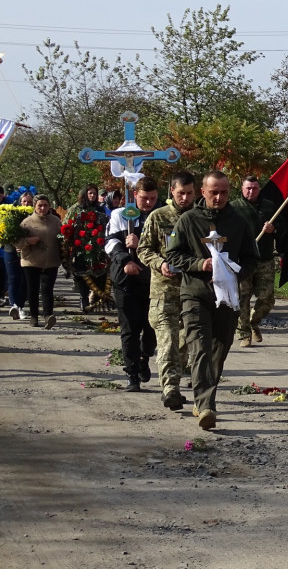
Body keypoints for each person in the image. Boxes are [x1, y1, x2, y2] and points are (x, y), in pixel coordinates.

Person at [166, 171, 259, 431]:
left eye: (224, 192)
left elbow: (253, 258)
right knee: (200, 348)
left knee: (220, 349)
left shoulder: (240, 222)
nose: (218, 197)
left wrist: (235, 271)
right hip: (195, 294)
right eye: (213, 192)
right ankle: (206, 405)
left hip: (227, 297)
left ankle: (202, 398)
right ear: (202, 192)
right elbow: (173, 255)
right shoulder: (187, 220)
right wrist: (200, 263)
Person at [139, 170, 196, 410]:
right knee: (168, 340)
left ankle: (175, 382)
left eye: (190, 193)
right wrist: (160, 264)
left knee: (185, 342)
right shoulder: (158, 217)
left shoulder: (199, 218)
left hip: (192, 290)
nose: (185, 198)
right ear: (172, 191)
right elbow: (144, 250)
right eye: (181, 193)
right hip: (164, 292)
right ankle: (170, 388)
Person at [105, 177, 159, 391]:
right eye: (144, 198)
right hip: (125, 280)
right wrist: (125, 260)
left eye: (153, 198)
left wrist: (142, 244)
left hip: (153, 279)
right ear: (135, 195)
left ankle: (145, 357)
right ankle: (132, 373)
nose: (148, 203)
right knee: (129, 329)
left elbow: (169, 243)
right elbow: (111, 243)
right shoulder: (121, 215)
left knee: (151, 326)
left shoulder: (161, 215)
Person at [231, 175, 280, 348]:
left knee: (267, 298)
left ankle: (254, 321)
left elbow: (282, 230)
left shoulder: (269, 206)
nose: (251, 191)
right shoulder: (234, 207)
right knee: (242, 297)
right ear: (242, 189)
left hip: (264, 258)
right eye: (248, 188)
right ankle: (244, 332)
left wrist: (273, 229)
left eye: (255, 188)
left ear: (259, 189)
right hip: (243, 259)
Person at [17, 194, 63, 329]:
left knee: (47, 289)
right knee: (33, 289)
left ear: (49, 206)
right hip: (31, 261)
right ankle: (34, 316)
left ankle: (48, 316)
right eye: (40, 206)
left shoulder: (56, 221)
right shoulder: (27, 222)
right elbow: (17, 242)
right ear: (34, 207)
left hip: (51, 261)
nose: (43, 208)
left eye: (45, 205)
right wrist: (28, 241)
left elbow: (62, 238)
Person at [67, 184, 107, 311]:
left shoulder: (100, 209)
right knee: (82, 274)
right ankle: (83, 298)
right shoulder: (76, 208)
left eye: (94, 193)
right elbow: (67, 225)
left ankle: (96, 298)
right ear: (85, 194)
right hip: (80, 246)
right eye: (90, 193)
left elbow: (106, 224)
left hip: (98, 246)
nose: (92, 196)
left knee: (99, 273)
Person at [4, 191, 30, 321]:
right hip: (11, 251)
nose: (26, 204)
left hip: (29, 253)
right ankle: (14, 306)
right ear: (20, 202)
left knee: (24, 280)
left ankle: (21, 306)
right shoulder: (11, 215)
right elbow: (5, 233)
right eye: (24, 201)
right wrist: (16, 244)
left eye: (29, 202)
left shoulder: (34, 217)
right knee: (13, 278)